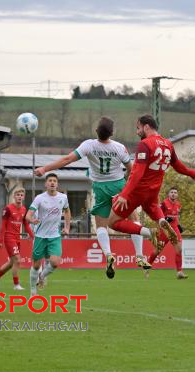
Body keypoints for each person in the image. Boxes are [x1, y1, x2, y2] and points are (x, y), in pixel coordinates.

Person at [35, 116, 149, 279]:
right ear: (112, 133)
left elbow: (67, 159)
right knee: (134, 218)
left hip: (100, 187)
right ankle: (139, 256)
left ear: (97, 131)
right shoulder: (119, 148)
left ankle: (108, 255)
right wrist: (126, 183)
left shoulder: (89, 145)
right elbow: (131, 168)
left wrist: (45, 168)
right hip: (118, 185)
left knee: (101, 225)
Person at [108, 115, 195, 257]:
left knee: (113, 222)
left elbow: (137, 173)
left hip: (138, 191)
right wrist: (193, 173)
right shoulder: (168, 144)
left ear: (146, 127)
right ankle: (162, 220)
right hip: (153, 192)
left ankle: (148, 232)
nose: (137, 132)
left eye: (138, 128)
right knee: (149, 207)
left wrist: (125, 194)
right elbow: (178, 166)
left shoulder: (145, 144)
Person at [25, 174, 70, 297]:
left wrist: (67, 227)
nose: (52, 183)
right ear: (46, 184)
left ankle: (42, 276)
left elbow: (67, 211)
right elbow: (28, 215)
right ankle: (33, 290)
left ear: (57, 184)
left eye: (54, 181)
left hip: (55, 236)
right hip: (40, 236)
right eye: (50, 180)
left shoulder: (63, 197)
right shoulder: (39, 198)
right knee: (36, 265)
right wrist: (31, 220)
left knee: (55, 262)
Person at [0, 187, 34, 290]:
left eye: (21, 195)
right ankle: (16, 285)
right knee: (18, 260)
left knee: (12, 263)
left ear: (23, 197)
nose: (19, 197)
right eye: (17, 195)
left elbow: (26, 225)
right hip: (9, 237)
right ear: (14, 196)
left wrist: (32, 236)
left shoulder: (23, 209)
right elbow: (3, 225)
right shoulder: (8, 208)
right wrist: (0, 240)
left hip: (17, 238)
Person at [146, 187, 188, 279]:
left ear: (177, 195)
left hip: (175, 229)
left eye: (175, 192)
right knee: (157, 251)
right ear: (169, 194)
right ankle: (147, 267)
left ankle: (179, 272)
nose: (173, 194)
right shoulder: (164, 204)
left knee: (179, 250)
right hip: (165, 230)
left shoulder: (178, 204)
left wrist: (179, 225)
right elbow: (157, 214)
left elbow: (176, 216)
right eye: (172, 192)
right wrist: (164, 220)